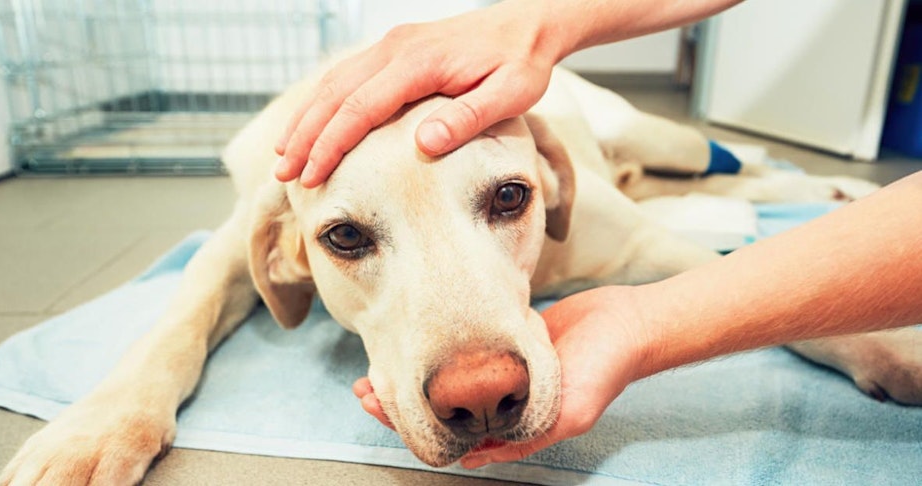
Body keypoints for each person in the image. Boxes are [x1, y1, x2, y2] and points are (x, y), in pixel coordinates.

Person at [274, 0, 922, 469]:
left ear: (553, 187)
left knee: (677, 148)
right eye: (351, 239)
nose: (478, 388)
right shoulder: (282, 187)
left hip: (589, 127)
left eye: (505, 199)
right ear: (291, 254)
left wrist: (846, 335)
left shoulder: (553, 163)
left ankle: (746, 171)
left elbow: (662, 254)